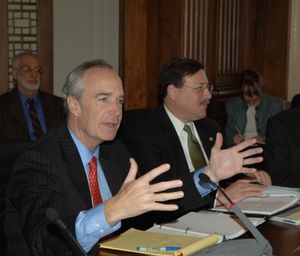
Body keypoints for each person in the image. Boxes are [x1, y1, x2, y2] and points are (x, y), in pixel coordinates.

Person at [5, 60, 185, 256]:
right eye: (103, 99)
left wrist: (208, 177)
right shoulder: (40, 160)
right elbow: (45, 242)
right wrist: (111, 211)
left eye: (120, 101)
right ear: (75, 105)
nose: (116, 111)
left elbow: (151, 208)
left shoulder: (116, 151)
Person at [118, 57, 270, 227]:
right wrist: (218, 198)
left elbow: (223, 176)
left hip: (219, 222)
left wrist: (248, 178)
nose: (209, 95)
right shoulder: (144, 130)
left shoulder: (210, 128)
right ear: (173, 92)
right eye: (200, 88)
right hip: (171, 228)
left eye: (208, 88)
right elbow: (162, 195)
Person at [0, 51, 65, 141]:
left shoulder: (57, 104)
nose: (34, 75)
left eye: (37, 70)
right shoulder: (3, 106)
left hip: (50, 153)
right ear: (15, 74)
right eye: (27, 69)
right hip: (17, 154)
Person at [225, 69, 285, 146]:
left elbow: (281, 136)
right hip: (241, 152)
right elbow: (228, 135)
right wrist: (233, 138)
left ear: (260, 88)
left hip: (267, 152)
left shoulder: (276, 105)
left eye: (254, 93)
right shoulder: (233, 106)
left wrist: (264, 139)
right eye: (246, 93)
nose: (250, 97)